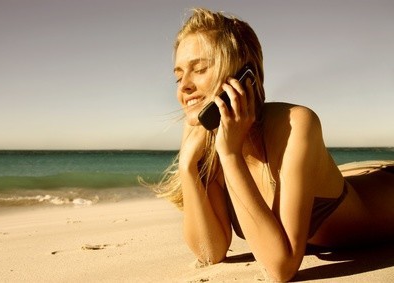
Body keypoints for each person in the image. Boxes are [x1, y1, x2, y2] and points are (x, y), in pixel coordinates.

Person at [151, 8, 394, 282]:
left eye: (200, 69)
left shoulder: (297, 125)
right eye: (179, 75)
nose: (184, 87)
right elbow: (211, 252)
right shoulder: (204, 133)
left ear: (244, 74)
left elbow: (281, 268)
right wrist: (188, 167)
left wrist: (230, 155)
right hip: (355, 178)